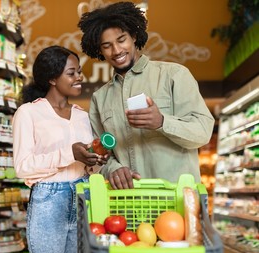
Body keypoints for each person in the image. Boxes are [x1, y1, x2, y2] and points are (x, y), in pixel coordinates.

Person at [77, 1, 215, 189]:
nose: (116, 51)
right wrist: (113, 168)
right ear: (100, 50)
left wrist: (161, 122)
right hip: (130, 204)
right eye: (107, 45)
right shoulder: (99, 99)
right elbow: (102, 154)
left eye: (121, 39)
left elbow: (202, 133)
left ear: (134, 36)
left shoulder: (174, 75)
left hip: (177, 200)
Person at [12, 46, 108, 253]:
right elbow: (23, 166)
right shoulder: (28, 113)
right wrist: (70, 153)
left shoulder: (82, 116)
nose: (79, 77)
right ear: (52, 78)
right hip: (48, 200)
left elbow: (87, 165)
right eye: (71, 73)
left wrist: (96, 159)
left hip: (84, 194)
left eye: (79, 71)